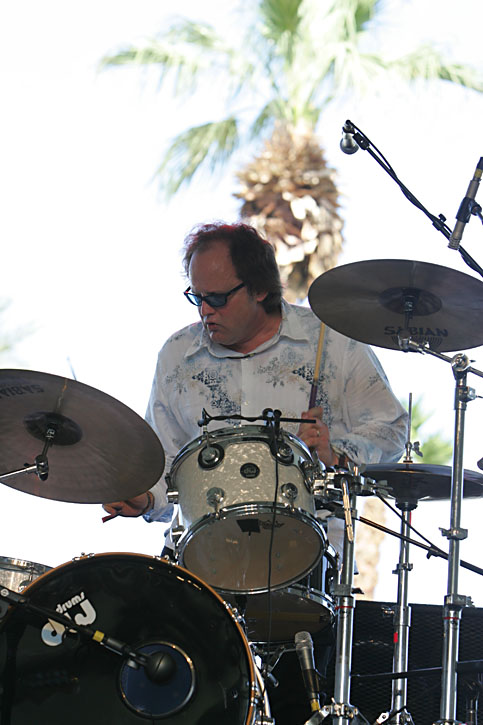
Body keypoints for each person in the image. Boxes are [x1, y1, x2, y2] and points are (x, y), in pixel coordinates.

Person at [103, 221, 407, 723]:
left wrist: (338, 451)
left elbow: (392, 431)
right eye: (196, 297)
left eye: (217, 298)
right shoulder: (178, 355)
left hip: (306, 576)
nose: (204, 311)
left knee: (299, 710)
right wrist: (143, 497)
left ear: (261, 288)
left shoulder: (331, 342)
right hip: (202, 575)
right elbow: (164, 462)